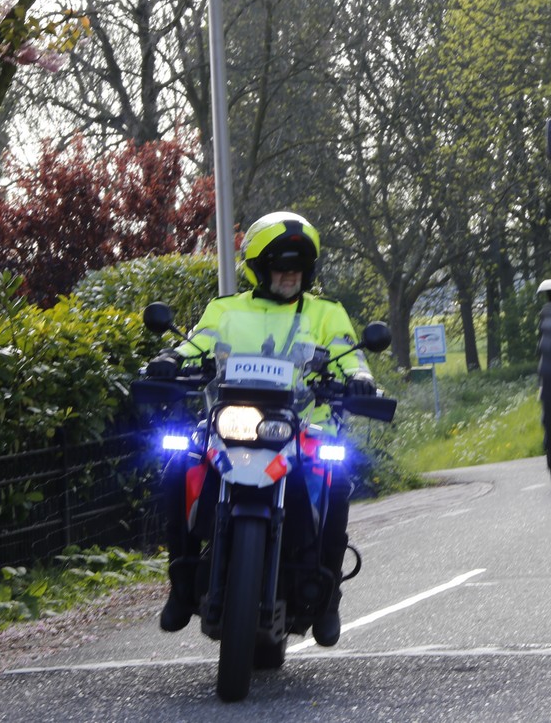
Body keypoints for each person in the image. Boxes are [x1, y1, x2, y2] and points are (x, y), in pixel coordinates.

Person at [145, 211, 377, 646]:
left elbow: (349, 354)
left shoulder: (327, 313)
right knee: (177, 466)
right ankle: (180, 582)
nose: (290, 275)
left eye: (298, 268)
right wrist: (170, 359)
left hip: (304, 428)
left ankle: (328, 597)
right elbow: (198, 342)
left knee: (337, 479)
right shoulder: (226, 309)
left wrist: (360, 378)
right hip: (229, 422)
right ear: (257, 268)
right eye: (280, 266)